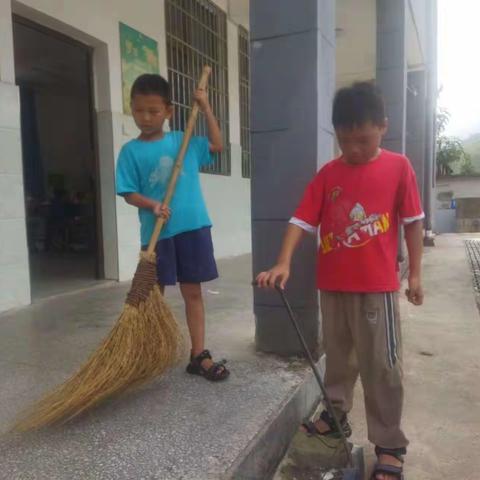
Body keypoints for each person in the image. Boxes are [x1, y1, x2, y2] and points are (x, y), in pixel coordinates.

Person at [256, 82, 424, 480]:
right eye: (343, 140)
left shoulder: (398, 167)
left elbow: (414, 224)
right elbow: (301, 219)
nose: (352, 149)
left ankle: (389, 443)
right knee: (339, 360)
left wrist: (415, 273)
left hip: (376, 288)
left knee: (381, 365)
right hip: (331, 286)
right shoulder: (329, 173)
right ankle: (335, 417)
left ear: (382, 127)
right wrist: (283, 262)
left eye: (362, 139)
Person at [116, 74, 229, 382]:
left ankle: (198, 355)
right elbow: (127, 192)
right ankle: (148, 354)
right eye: (139, 111)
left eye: (154, 111)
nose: (146, 118)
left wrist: (205, 106)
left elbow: (218, 144)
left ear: (168, 111)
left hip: (192, 227)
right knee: (153, 296)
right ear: (131, 109)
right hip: (157, 235)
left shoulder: (182, 139)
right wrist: (152, 204)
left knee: (193, 292)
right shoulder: (130, 152)